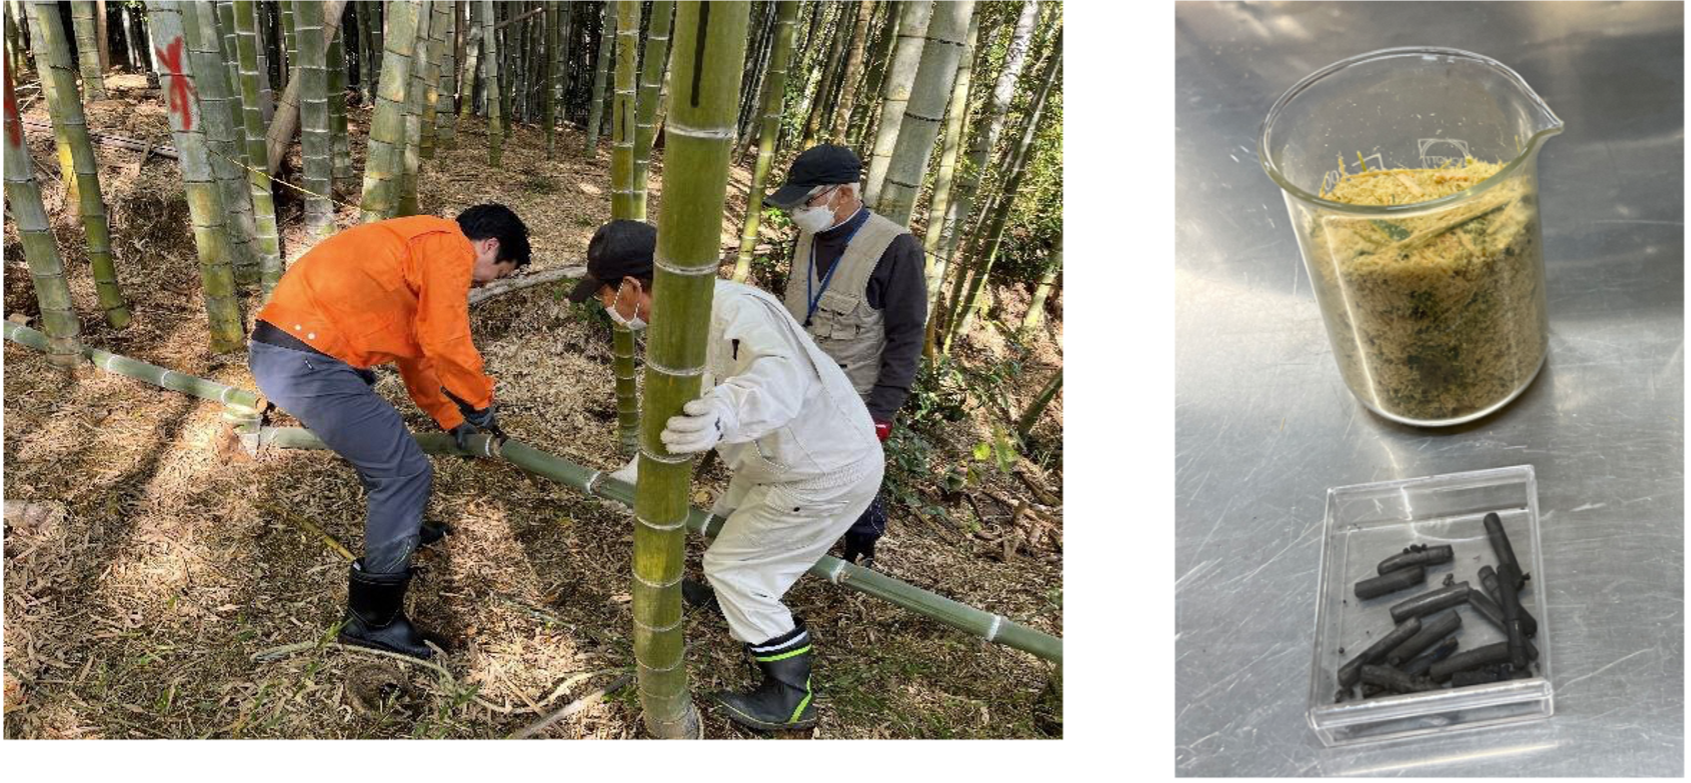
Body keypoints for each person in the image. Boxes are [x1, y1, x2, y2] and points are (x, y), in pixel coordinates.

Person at [570, 220, 883, 732]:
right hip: (772, 462)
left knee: (738, 568)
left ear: (630, 286)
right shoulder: (677, 322)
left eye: (606, 293)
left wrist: (721, 414)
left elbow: (779, 377)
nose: (608, 307)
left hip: (820, 471)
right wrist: (634, 473)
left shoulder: (734, 308)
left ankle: (790, 695)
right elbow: (679, 419)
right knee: (723, 524)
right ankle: (727, 601)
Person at [248, 205, 530, 660]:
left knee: (391, 450)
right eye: (492, 275)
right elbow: (446, 340)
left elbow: (419, 356)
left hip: (300, 356)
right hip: (306, 361)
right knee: (404, 473)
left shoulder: (418, 251)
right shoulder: (446, 244)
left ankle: (401, 529)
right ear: (489, 245)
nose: (481, 285)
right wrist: (479, 403)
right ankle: (372, 621)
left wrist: (450, 416)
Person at [762, 144, 927, 568]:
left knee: (854, 475)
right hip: (800, 380)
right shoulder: (809, 236)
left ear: (845, 194)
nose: (798, 212)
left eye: (807, 201)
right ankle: (782, 546)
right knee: (793, 470)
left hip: (855, 393)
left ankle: (860, 552)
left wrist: (882, 412)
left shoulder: (896, 248)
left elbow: (907, 336)